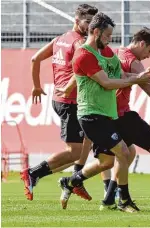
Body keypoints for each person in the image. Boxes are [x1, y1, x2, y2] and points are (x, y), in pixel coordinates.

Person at [60, 27, 150, 211]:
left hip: (107, 114)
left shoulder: (114, 52)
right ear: (141, 43)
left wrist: (67, 88)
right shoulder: (133, 61)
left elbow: (84, 70)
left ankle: (92, 192)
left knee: (114, 159)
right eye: (149, 50)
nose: (148, 56)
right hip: (119, 115)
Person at [20, 4, 98, 201]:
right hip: (70, 101)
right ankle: (34, 173)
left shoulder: (59, 40)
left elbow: (35, 59)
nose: (90, 26)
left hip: (63, 99)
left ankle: (75, 180)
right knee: (74, 152)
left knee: (89, 139)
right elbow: (80, 70)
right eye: (87, 22)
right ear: (76, 20)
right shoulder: (79, 43)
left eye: (93, 23)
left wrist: (36, 86)